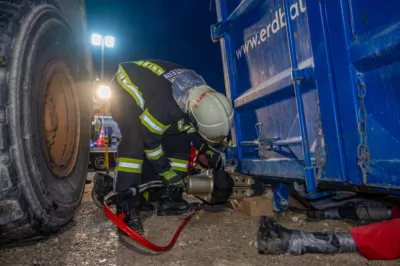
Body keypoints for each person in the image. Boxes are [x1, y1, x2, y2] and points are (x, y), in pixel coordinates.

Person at [108, 60, 234, 235]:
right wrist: (167, 173)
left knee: (180, 140)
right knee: (135, 140)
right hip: (125, 88)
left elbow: (189, 128)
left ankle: (170, 199)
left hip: (159, 93)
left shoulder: (204, 100)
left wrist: (205, 149)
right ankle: (126, 209)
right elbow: (151, 144)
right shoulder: (166, 107)